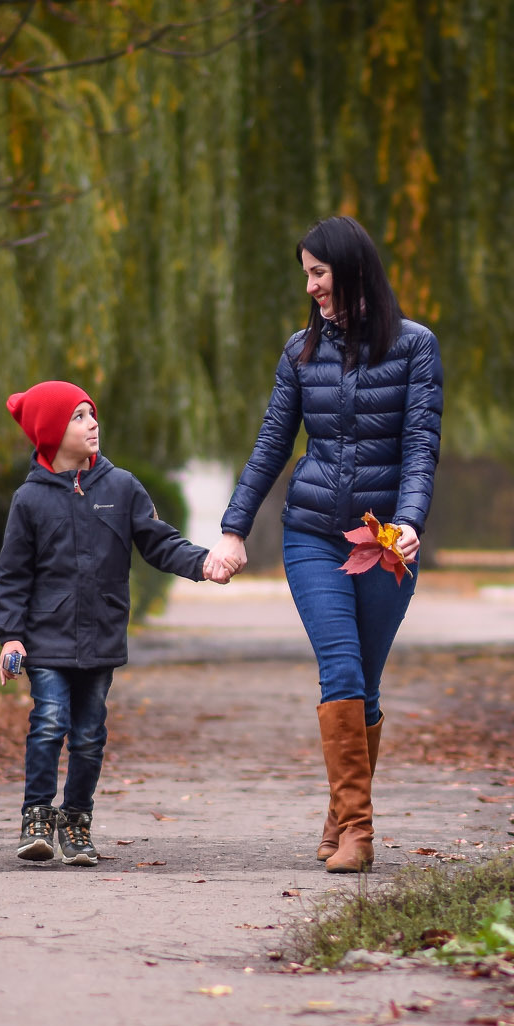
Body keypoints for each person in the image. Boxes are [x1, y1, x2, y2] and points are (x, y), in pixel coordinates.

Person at [207, 216, 443, 873]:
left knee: (365, 684)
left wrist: (411, 520)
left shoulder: (416, 347)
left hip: (386, 541)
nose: (309, 285)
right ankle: (359, 834)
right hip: (312, 533)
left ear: (352, 268)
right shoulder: (300, 353)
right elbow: (271, 444)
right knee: (339, 666)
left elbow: (420, 444)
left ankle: (340, 815)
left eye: (318, 272)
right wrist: (234, 526)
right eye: (305, 274)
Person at [0, 380, 211, 866]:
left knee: (89, 736)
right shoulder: (29, 499)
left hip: (102, 635)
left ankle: (75, 821)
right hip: (45, 638)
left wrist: (203, 563)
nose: (93, 423)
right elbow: (12, 574)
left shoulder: (121, 487)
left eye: (92, 414)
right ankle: (36, 816)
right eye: (79, 416)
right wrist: (11, 636)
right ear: (51, 431)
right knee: (49, 722)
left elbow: (159, 542)